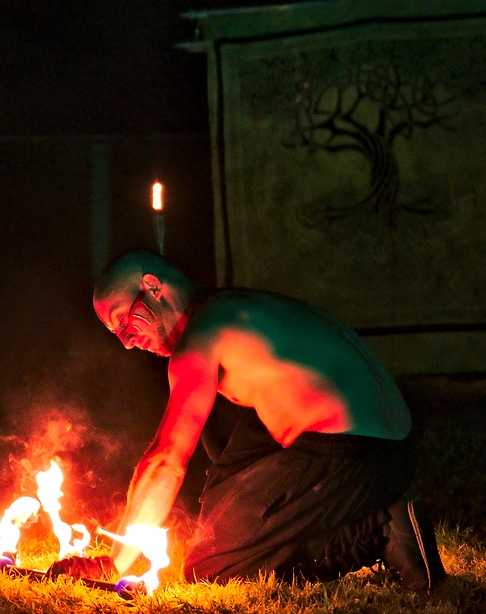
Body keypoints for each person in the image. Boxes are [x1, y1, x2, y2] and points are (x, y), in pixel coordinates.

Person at [62, 251, 444, 589]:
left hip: (358, 453)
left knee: (211, 569)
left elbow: (166, 459)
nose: (128, 341)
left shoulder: (203, 337)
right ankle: (281, 528)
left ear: (152, 287)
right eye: (117, 334)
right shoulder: (233, 307)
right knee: (224, 483)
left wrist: (115, 562)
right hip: (392, 445)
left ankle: (381, 530)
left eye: (125, 321)